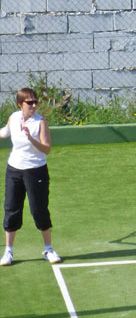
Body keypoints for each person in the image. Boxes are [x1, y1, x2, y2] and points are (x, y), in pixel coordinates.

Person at [1, 88, 61, 266]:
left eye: (35, 102)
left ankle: (48, 249)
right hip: (14, 171)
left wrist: (30, 138)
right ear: (20, 104)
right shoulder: (13, 117)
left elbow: (47, 149)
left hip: (36, 171)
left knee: (39, 210)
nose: (34, 105)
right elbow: (4, 132)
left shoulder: (40, 122)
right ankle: (8, 252)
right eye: (30, 103)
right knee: (11, 209)